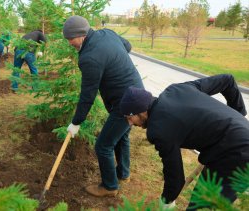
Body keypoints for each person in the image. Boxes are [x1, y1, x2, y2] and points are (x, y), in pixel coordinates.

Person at [119, 74, 249, 210]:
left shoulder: (158, 129)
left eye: (129, 118)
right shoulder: (177, 89)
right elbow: (227, 80)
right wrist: (239, 115)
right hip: (235, 140)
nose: (129, 123)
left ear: (142, 111)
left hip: (236, 154)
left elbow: (175, 177)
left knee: (202, 206)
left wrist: (166, 201)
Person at [63, 15, 143, 197]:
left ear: (82, 34)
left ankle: (109, 186)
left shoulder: (89, 58)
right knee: (121, 137)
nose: (69, 43)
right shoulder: (108, 34)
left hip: (126, 103)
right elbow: (128, 47)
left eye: (71, 38)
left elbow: (87, 96)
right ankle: (123, 174)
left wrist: (76, 122)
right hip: (137, 93)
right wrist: (115, 62)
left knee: (103, 146)